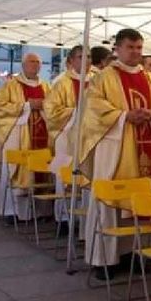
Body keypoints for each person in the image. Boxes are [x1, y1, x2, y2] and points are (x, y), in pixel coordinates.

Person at [78, 27, 151, 272]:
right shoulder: (103, 78)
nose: (135, 52)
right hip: (115, 146)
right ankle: (104, 260)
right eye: (130, 47)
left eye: (139, 47)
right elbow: (93, 109)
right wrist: (124, 116)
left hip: (148, 143)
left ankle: (135, 254)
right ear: (117, 49)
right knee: (109, 202)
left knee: (143, 201)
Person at [0, 52, 52, 221]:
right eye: (31, 61)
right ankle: (12, 212)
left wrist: (44, 106)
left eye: (38, 62)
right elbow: (0, 107)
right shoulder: (10, 85)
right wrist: (27, 105)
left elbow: (54, 107)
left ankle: (41, 212)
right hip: (19, 135)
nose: (35, 65)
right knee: (17, 171)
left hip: (42, 134)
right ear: (23, 65)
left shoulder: (47, 86)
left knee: (43, 171)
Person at [44, 45, 87, 226]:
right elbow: (51, 111)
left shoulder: (98, 81)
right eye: (81, 57)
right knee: (65, 176)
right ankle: (63, 218)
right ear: (71, 61)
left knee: (86, 177)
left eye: (90, 57)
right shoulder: (62, 82)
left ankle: (83, 221)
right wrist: (77, 110)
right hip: (66, 134)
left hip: (88, 137)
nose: (87, 61)